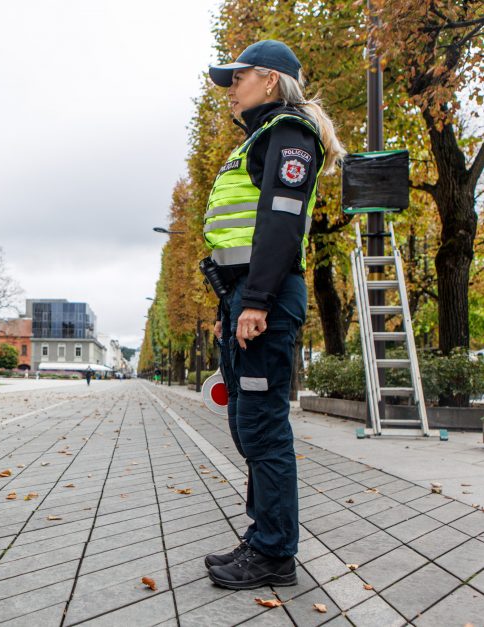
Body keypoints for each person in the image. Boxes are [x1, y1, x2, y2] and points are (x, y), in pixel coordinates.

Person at [200, 40, 345, 589]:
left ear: (268, 79)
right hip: (244, 297)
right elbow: (243, 233)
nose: (230, 89)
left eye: (236, 78)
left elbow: (282, 223)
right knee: (247, 422)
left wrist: (256, 301)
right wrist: (230, 305)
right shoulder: (263, 137)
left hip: (266, 298)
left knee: (263, 428)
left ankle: (275, 553)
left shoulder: (289, 132)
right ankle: (263, 534)